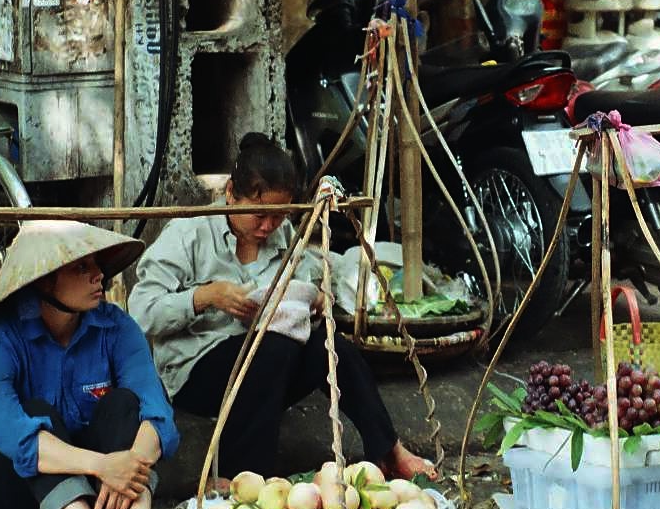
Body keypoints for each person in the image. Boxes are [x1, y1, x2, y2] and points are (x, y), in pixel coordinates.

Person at [128, 133, 435, 482]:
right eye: (259, 215)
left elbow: (307, 280)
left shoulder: (282, 234)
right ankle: (239, 476)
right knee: (270, 347)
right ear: (230, 193)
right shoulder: (187, 234)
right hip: (196, 374)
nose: (268, 227)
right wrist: (206, 297)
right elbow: (141, 313)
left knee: (331, 346)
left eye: (278, 216)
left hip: (270, 369)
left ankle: (389, 451)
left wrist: (317, 300)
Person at [0, 221, 187, 509]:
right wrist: (105, 466)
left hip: (101, 501)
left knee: (125, 403)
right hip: (14, 503)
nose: (98, 275)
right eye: (81, 267)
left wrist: (125, 468)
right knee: (38, 414)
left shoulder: (116, 327)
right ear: (43, 280)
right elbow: (16, 440)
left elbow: (158, 414)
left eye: (97, 265)